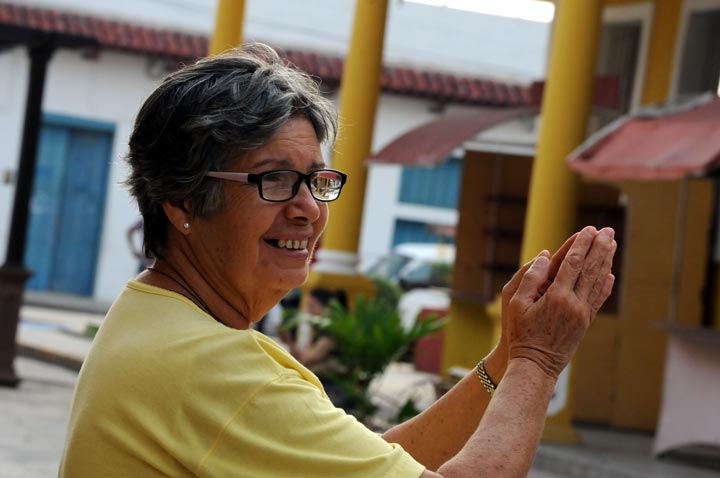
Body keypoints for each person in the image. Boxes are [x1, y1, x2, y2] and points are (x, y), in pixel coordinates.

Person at [59, 43, 617, 478]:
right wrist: (539, 363)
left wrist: (507, 357)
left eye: (316, 181)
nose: (307, 209)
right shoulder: (208, 367)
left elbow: (376, 461)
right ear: (182, 201)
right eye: (274, 178)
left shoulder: (159, 319)